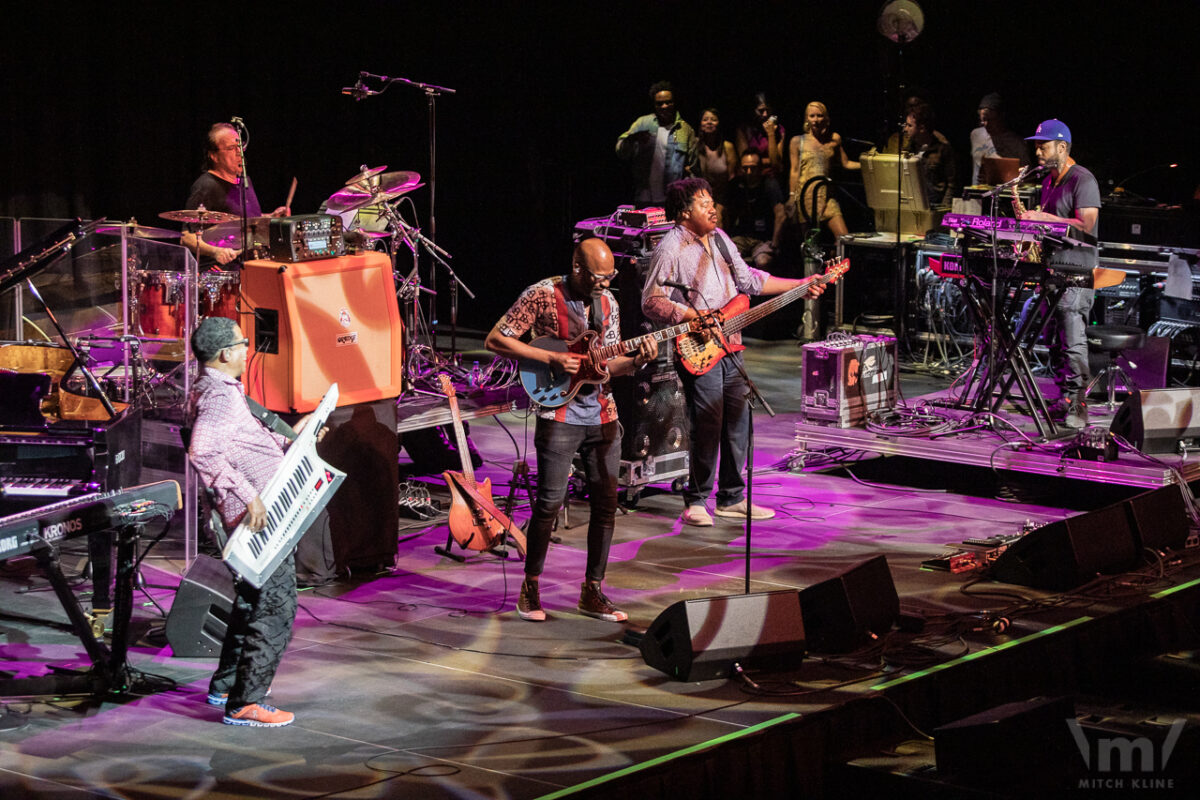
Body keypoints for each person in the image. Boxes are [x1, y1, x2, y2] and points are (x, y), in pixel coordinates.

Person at [485, 238, 657, 622]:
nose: (604, 284)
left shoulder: (609, 303)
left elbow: (606, 365)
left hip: (602, 413)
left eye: (609, 277)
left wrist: (636, 362)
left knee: (606, 505)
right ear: (577, 268)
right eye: (598, 277)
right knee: (548, 503)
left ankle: (593, 591)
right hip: (558, 413)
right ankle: (530, 587)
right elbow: (496, 338)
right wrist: (552, 357)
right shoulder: (542, 295)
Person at [642, 177, 824, 526]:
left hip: (731, 344)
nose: (712, 207)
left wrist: (800, 285)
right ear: (683, 213)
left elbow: (751, 281)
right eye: (702, 202)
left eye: (712, 200)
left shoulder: (721, 239)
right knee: (707, 421)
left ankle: (731, 497)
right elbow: (651, 301)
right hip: (697, 346)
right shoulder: (671, 249)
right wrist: (695, 316)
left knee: (738, 421)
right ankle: (695, 500)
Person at [186, 316, 325, 726]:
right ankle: (246, 702)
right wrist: (248, 496)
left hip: (257, 515)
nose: (248, 348)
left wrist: (293, 438)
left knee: (250, 602)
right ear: (226, 353)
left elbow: (240, 440)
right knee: (276, 605)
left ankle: (227, 685)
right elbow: (204, 452)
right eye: (243, 343)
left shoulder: (216, 389)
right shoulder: (220, 397)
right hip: (260, 521)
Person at [1019, 119, 1100, 429]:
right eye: (1036, 145)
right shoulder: (1048, 180)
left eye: (1043, 145)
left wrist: (1043, 217)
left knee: (1072, 341)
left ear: (1062, 147)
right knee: (1053, 339)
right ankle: (1063, 398)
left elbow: (1087, 224)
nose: (1037, 150)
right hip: (1052, 270)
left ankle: (1078, 405)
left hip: (1076, 273)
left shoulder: (1083, 179)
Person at [181, 123, 290, 266]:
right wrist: (216, 251)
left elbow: (243, 220)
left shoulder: (245, 181)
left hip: (250, 265)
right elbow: (186, 237)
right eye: (231, 148)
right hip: (220, 272)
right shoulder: (206, 186)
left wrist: (270, 217)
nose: (239, 152)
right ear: (214, 156)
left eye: (240, 146)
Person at [787, 101, 861, 239]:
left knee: (843, 238)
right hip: (806, 196)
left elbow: (845, 163)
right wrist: (792, 197)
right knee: (811, 243)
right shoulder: (797, 141)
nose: (815, 120)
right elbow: (794, 170)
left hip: (827, 196)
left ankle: (835, 260)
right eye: (812, 116)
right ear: (806, 119)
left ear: (826, 118)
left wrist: (868, 164)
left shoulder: (834, 139)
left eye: (819, 116)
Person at [615, 81, 698, 205]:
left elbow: (693, 169)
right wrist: (633, 139)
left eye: (668, 102)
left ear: (674, 102)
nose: (664, 106)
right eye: (659, 103)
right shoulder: (643, 123)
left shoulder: (685, 130)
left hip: (672, 199)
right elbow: (620, 151)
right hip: (644, 197)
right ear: (654, 105)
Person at [726, 152, 785, 269]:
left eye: (752, 168)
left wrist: (775, 244)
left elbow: (781, 214)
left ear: (760, 168)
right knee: (724, 258)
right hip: (741, 237)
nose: (749, 172)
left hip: (763, 239)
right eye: (745, 168)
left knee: (763, 261)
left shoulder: (769, 184)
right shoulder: (735, 184)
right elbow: (720, 209)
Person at [902, 102, 959, 208]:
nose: (905, 129)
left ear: (922, 128)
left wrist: (944, 208)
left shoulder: (942, 149)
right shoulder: (908, 148)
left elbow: (952, 184)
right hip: (912, 205)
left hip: (935, 206)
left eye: (910, 126)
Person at [968, 93, 1029, 184]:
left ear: (1001, 116)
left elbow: (1028, 176)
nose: (986, 124)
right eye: (983, 120)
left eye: (991, 120)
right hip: (978, 193)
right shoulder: (976, 135)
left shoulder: (1016, 143)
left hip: (1003, 195)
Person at [695, 108, 737, 223]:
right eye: (705, 120)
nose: (709, 122)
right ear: (700, 124)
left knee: (717, 218)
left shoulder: (727, 146)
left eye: (713, 119)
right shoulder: (694, 144)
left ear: (719, 124)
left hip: (722, 195)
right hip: (700, 194)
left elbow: (732, 177)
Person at [735, 92, 785, 178]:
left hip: (771, 176)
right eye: (761, 111)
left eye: (768, 110)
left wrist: (771, 133)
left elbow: (776, 163)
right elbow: (747, 162)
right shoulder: (744, 130)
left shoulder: (779, 129)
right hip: (751, 176)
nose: (765, 114)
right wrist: (766, 161)